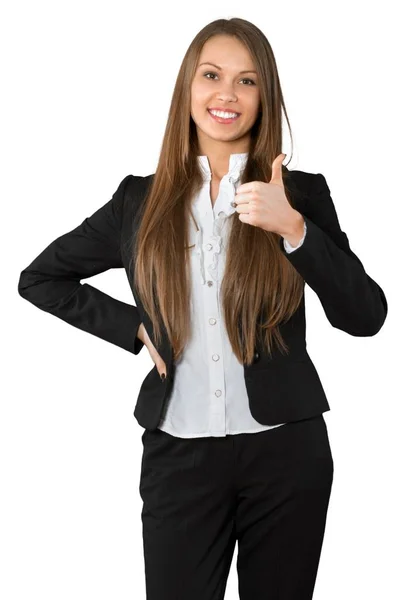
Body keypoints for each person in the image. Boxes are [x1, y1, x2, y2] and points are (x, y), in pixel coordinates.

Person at [18, 17, 388, 600]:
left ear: (265, 96)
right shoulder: (139, 201)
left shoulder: (302, 193)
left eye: (247, 81)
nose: (227, 94)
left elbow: (365, 316)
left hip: (286, 451)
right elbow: (40, 278)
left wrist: (294, 229)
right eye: (212, 75)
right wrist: (135, 330)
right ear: (187, 87)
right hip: (180, 456)